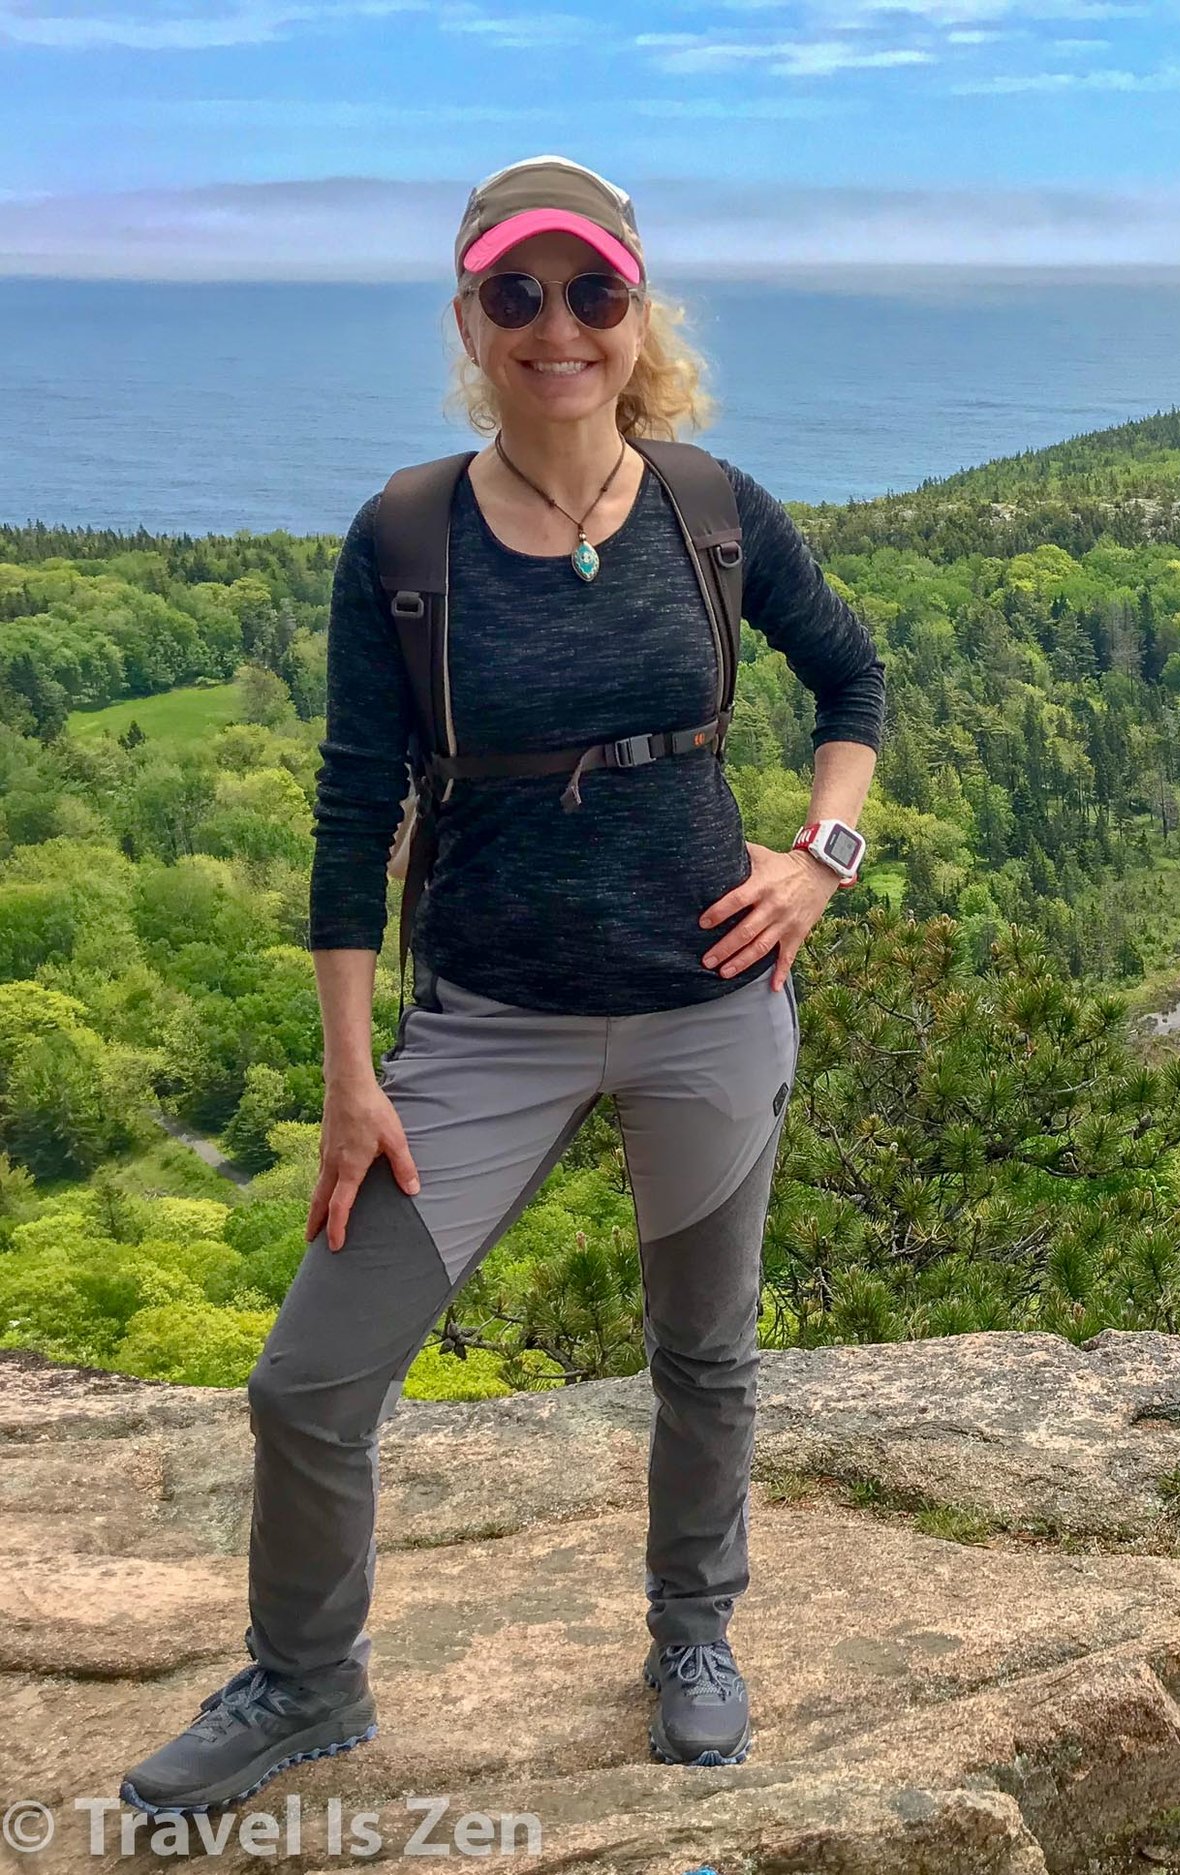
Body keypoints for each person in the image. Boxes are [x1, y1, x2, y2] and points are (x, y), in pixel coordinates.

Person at [122, 155, 885, 1812]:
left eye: (592, 294)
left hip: (707, 1009)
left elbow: (854, 683)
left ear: (638, 316)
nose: (560, 330)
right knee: (309, 1386)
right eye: (518, 296)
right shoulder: (407, 535)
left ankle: (694, 1634)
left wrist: (817, 866)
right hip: (484, 1030)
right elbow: (350, 812)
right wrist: (349, 1075)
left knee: (707, 1353)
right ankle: (308, 1684)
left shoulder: (716, 511)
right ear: (471, 317)